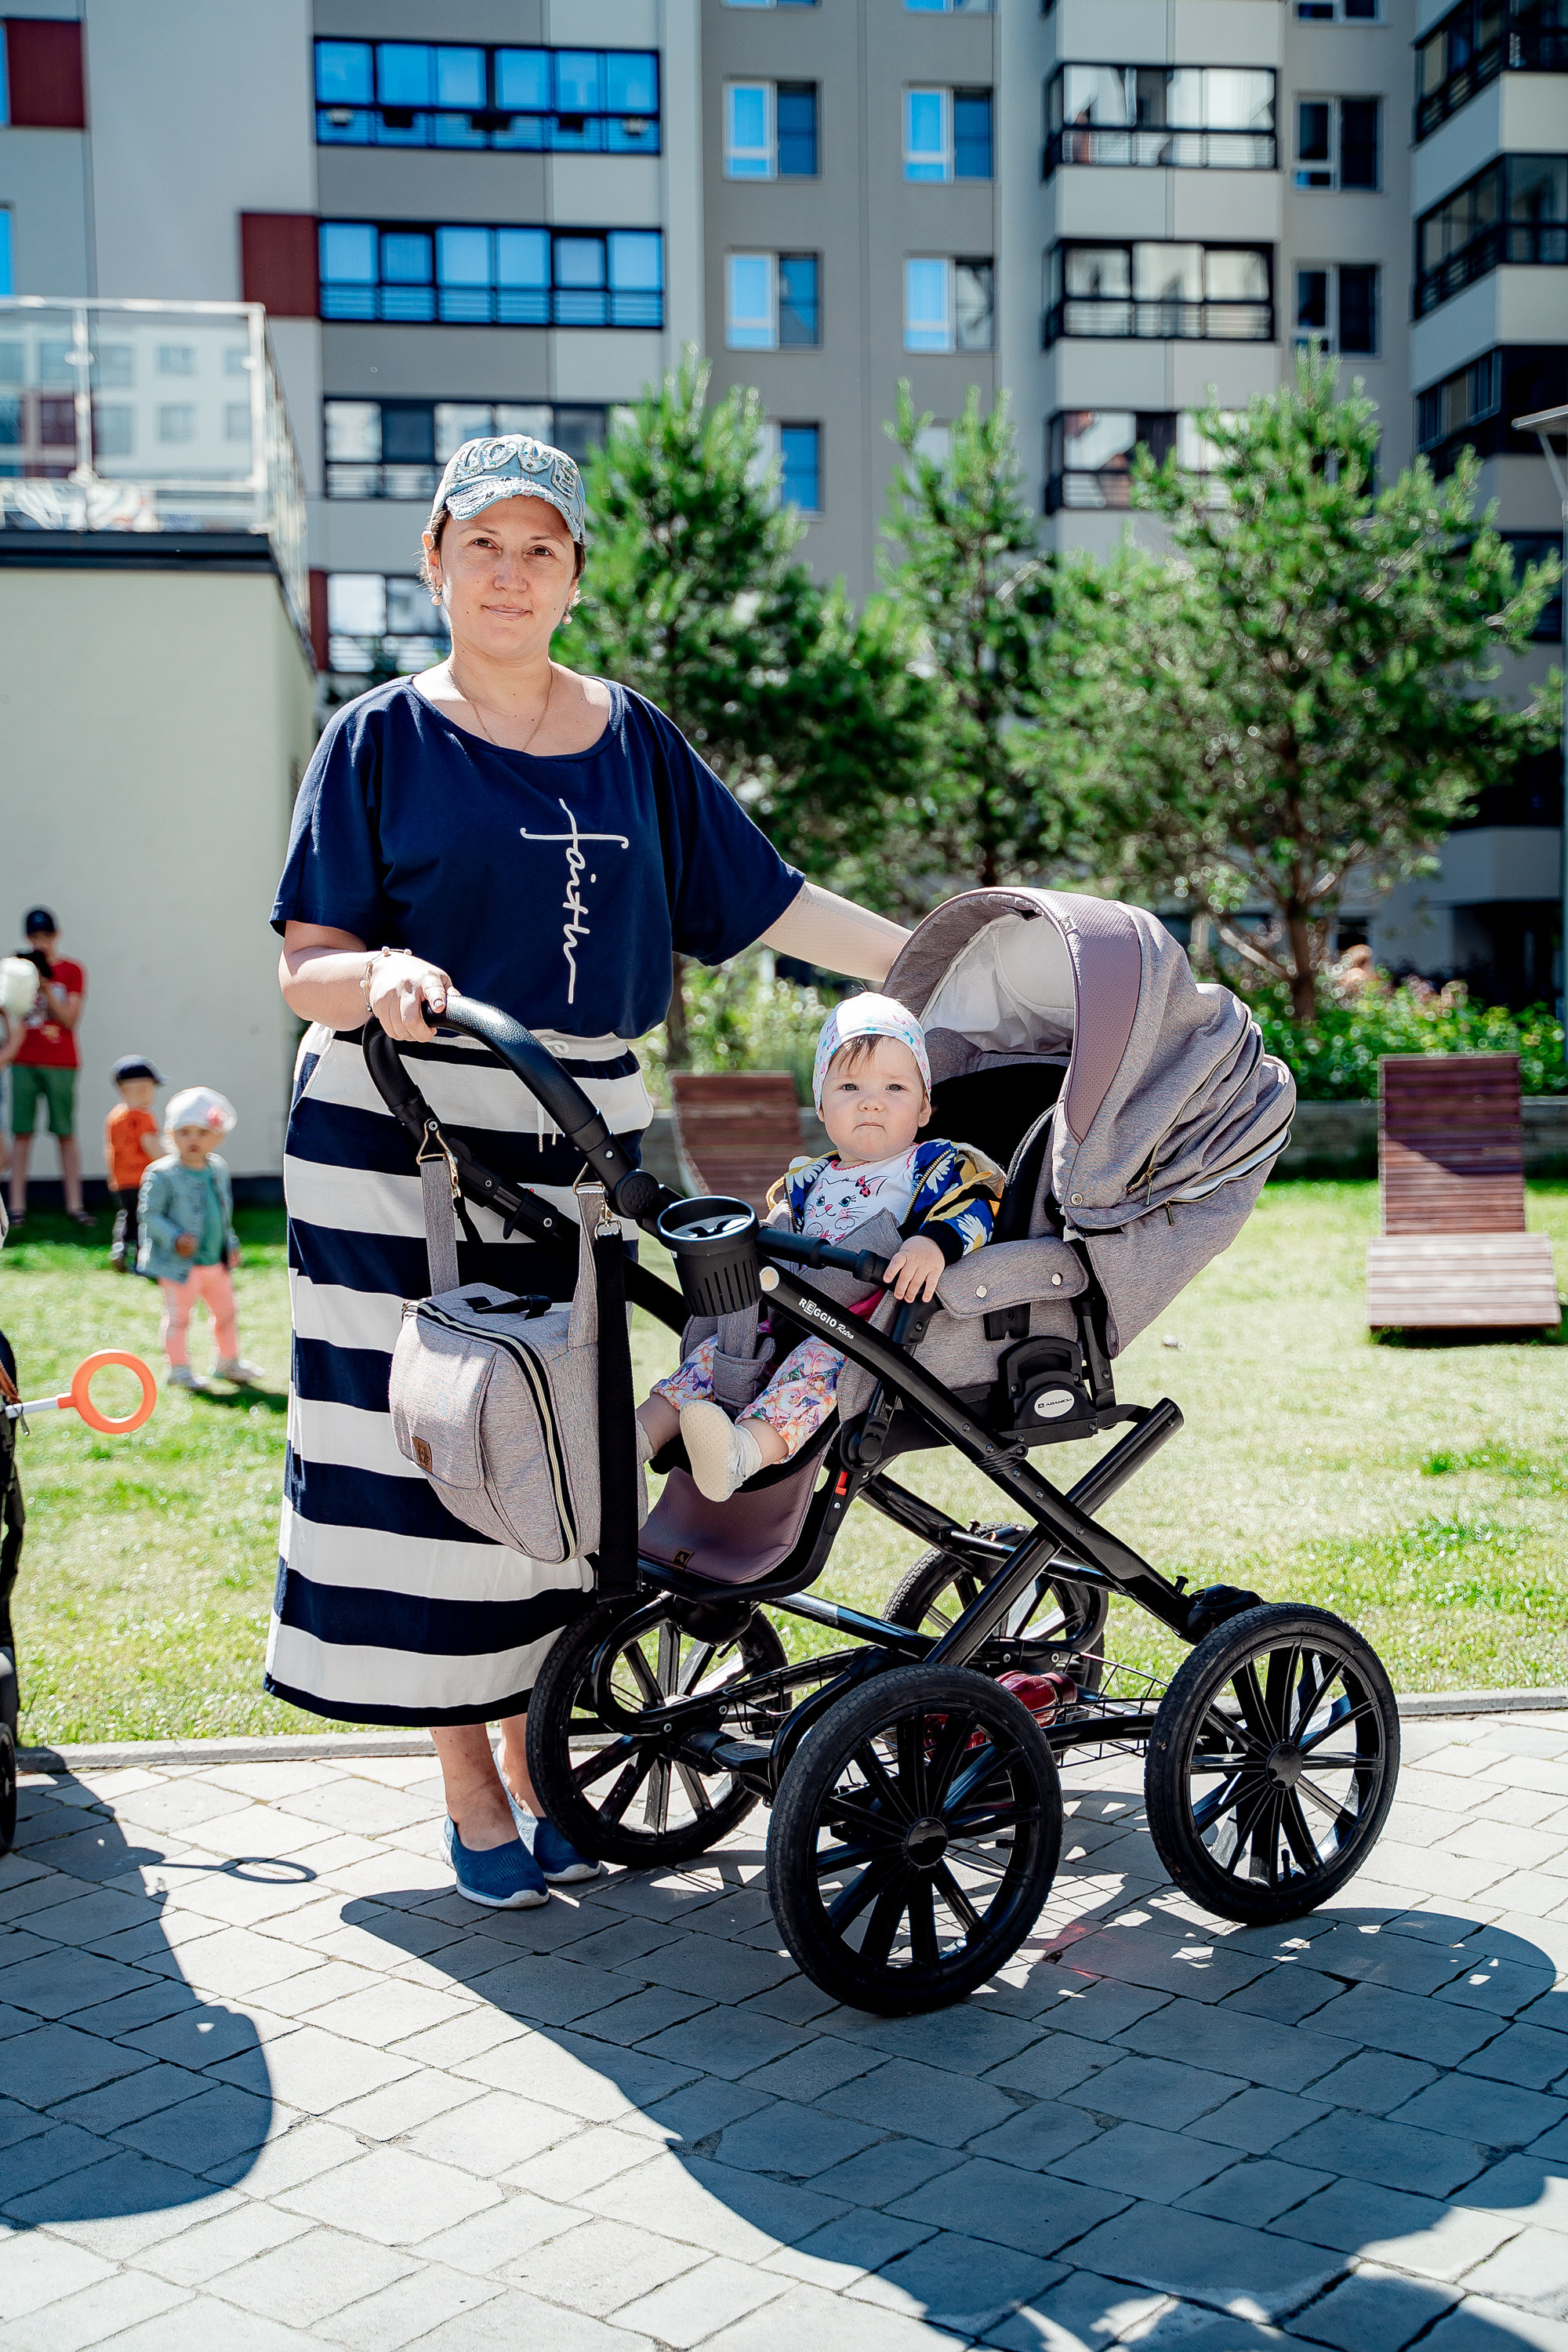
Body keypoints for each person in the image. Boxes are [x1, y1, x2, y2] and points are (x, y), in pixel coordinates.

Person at [270, 430, 911, 1912]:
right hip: (395, 1125)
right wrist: (381, 975)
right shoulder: (376, 736)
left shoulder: (633, 737)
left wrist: (965, 957)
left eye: (539, 547)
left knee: (549, 1448)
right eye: (479, 544)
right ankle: (467, 1780)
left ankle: (532, 1738)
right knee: (425, 1436)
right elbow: (307, 965)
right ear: (433, 562)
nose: (509, 572)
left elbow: (773, 903)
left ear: (574, 575)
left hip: (572, 1130)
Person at [638, 996, 1003, 1500]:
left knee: (814, 1371)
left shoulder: (936, 1166)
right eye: (850, 1087)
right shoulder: (807, 1179)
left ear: (923, 1107)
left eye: (895, 1087)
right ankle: (633, 1444)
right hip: (782, 1304)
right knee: (708, 1356)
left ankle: (742, 1452)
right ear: (823, 1104)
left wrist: (931, 1243)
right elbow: (776, 1230)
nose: (871, 1101)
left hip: (854, 1326)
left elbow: (979, 1210)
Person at [138, 1087, 263, 1390]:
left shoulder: (217, 1169)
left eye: (202, 1133)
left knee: (227, 1313)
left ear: (217, 1137)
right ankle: (178, 1369)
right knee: (178, 1317)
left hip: (213, 1262)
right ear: (170, 1135)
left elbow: (221, 1213)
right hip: (178, 1266)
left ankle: (228, 1361)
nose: (193, 1140)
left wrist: (230, 1244)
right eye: (184, 1132)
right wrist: (175, 1236)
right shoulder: (162, 1174)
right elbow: (149, 1215)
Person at [9, 909, 89, 1228]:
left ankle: (75, 1206)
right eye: (35, 937)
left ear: (57, 935)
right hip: (23, 1061)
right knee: (21, 1134)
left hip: (61, 1062)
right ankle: (16, 1207)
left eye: (46, 936)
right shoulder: (16, 972)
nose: (41, 943)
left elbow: (69, 1019)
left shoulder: (72, 970)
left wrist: (42, 986)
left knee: (65, 1133)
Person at [104, 1056, 164, 1273]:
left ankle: (119, 1247)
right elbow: (150, 1145)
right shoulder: (144, 1117)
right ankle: (142, 1261)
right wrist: (170, 1161)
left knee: (126, 1214)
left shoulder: (114, 1116)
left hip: (121, 1180)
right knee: (144, 1220)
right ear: (142, 1088)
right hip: (144, 1178)